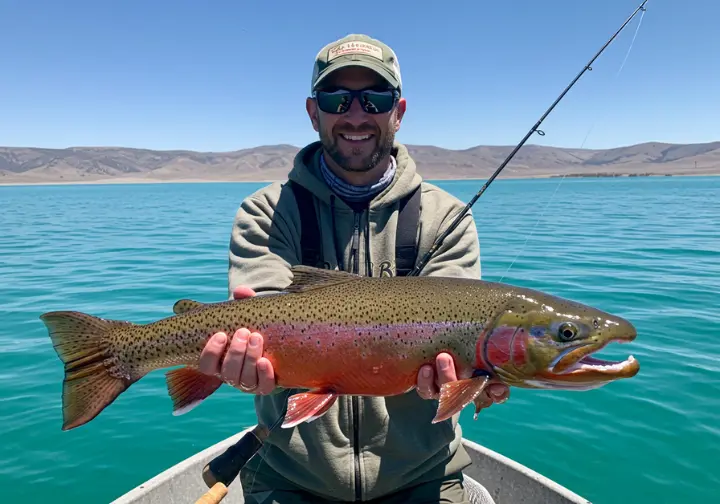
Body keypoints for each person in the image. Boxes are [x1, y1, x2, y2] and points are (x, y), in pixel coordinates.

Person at [197, 33, 510, 504]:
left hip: (424, 476)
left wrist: (474, 384)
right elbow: (261, 320)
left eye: (376, 98)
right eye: (336, 97)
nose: (357, 114)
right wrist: (243, 364)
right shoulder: (267, 211)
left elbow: (464, 341)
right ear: (313, 111)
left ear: (398, 112)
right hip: (289, 477)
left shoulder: (447, 218)